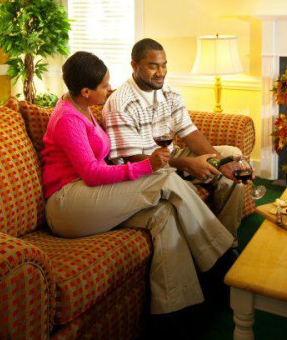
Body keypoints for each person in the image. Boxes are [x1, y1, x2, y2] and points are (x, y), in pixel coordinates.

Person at [42, 51, 235, 315]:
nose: (110, 88)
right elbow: (92, 173)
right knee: (164, 179)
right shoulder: (68, 118)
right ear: (85, 91)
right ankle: (223, 260)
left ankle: (176, 312)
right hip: (66, 204)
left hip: (87, 195)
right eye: (103, 86)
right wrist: (146, 166)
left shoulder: (82, 107)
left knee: (162, 214)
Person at [102, 38, 247, 240]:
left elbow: (190, 132)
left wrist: (221, 162)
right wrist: (186, 164)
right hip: (145, 172)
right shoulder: (121, 103)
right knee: (214, 170)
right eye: (153, 66)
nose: (160, 73)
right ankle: (217, 245)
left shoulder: (169, 93)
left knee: (233, 157)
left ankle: (227, 241)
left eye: (164, 65)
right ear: (134, 65)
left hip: (171, 158)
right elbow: (133, 160)